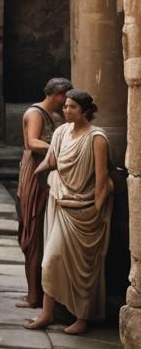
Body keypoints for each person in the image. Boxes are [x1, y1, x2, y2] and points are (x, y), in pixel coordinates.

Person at [25, 89, 113, 336]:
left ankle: (82, 317)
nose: (66, 111)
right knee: (51, 261)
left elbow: (102, 177)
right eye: (64, 107)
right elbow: (52, 160)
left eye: (71, 107)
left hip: (83, 210)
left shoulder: (97, 138)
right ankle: (47, 313)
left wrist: (96, 209)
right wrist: (36, 173)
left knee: (84, 267)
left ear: (85, 111)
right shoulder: (62, 132)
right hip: (60, 203)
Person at [15, 77, 72, 309]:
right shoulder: (35, 113)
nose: (65, 103)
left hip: (49, 173)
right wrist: (61, 148)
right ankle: (33, 296)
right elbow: (32, 142)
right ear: (55, 94)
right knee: (34, 233)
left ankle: (44, 293)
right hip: (35, 174)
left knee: (46, 233)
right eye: (64, 98)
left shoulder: (57, 116)